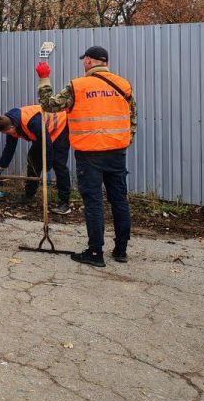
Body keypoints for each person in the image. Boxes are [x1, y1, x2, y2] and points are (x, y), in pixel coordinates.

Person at [36, 46, 137, 267]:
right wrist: (123, 142)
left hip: (89, 154)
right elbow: (132, 120)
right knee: (119, 200)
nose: (84, 63)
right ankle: (121, 250)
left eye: (85, 60)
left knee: (93, 203)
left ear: (90, 61)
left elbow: (48, 105)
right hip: (117, 153)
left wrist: (44, 79)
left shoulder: (78, 86)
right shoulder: (124, 85)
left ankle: (95, 253)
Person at [0, 105, 71, 214]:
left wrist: (47, 168)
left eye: (7, 133)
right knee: (32, 159)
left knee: (59, 164)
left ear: (12, 128)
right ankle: (29, 195)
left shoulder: (31, 122)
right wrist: (0, 167)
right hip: (43, 134)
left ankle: (64, 203)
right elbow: (9, 147)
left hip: (59, 127)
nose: (8, 135)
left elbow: (46, 143)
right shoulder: (10, 122)